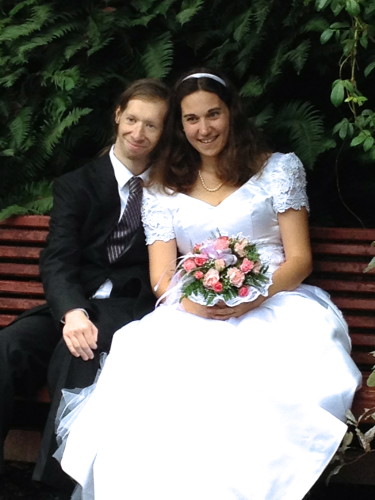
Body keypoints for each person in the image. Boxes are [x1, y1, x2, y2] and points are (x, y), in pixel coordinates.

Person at [56, 69, 362, 499]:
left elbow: (300, 260)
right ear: (180, 127)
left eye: (213, 114)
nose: (204, 128)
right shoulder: (163, 186)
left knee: (249, 387)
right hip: (193, 309)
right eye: (191, 119)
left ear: (231, 113)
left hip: (276, 305)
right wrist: (199, 302)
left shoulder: (277, 169)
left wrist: (250, 296)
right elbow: (163, 277)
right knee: (158, 391)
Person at [0, 78, 169, 493]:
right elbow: (57, 259)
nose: (138, 133)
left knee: (80, 351)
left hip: (130, 311)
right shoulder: (77, 184)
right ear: (117, 116)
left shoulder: (172, 187)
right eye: (131, 119)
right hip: (74, 303)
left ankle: (51, 485)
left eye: (151, 125)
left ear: (165, 132)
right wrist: (71, 310)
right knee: (9, 347)